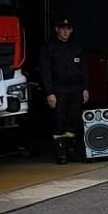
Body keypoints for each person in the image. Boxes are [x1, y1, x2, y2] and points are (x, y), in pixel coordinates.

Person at [39, 17, 89, 164]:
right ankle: (60, 152)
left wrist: (85, 88)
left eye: (68, 28)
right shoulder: (49, 48)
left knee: (72, 121)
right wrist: (49, 92)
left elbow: (84, 70)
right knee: (58, 121)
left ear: (71, 30)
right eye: (62, 28)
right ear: (57, 30)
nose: (65, 31)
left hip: (75, 89)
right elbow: (45, 72)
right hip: (58, 90)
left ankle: (71, 150)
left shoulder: (76, 47)